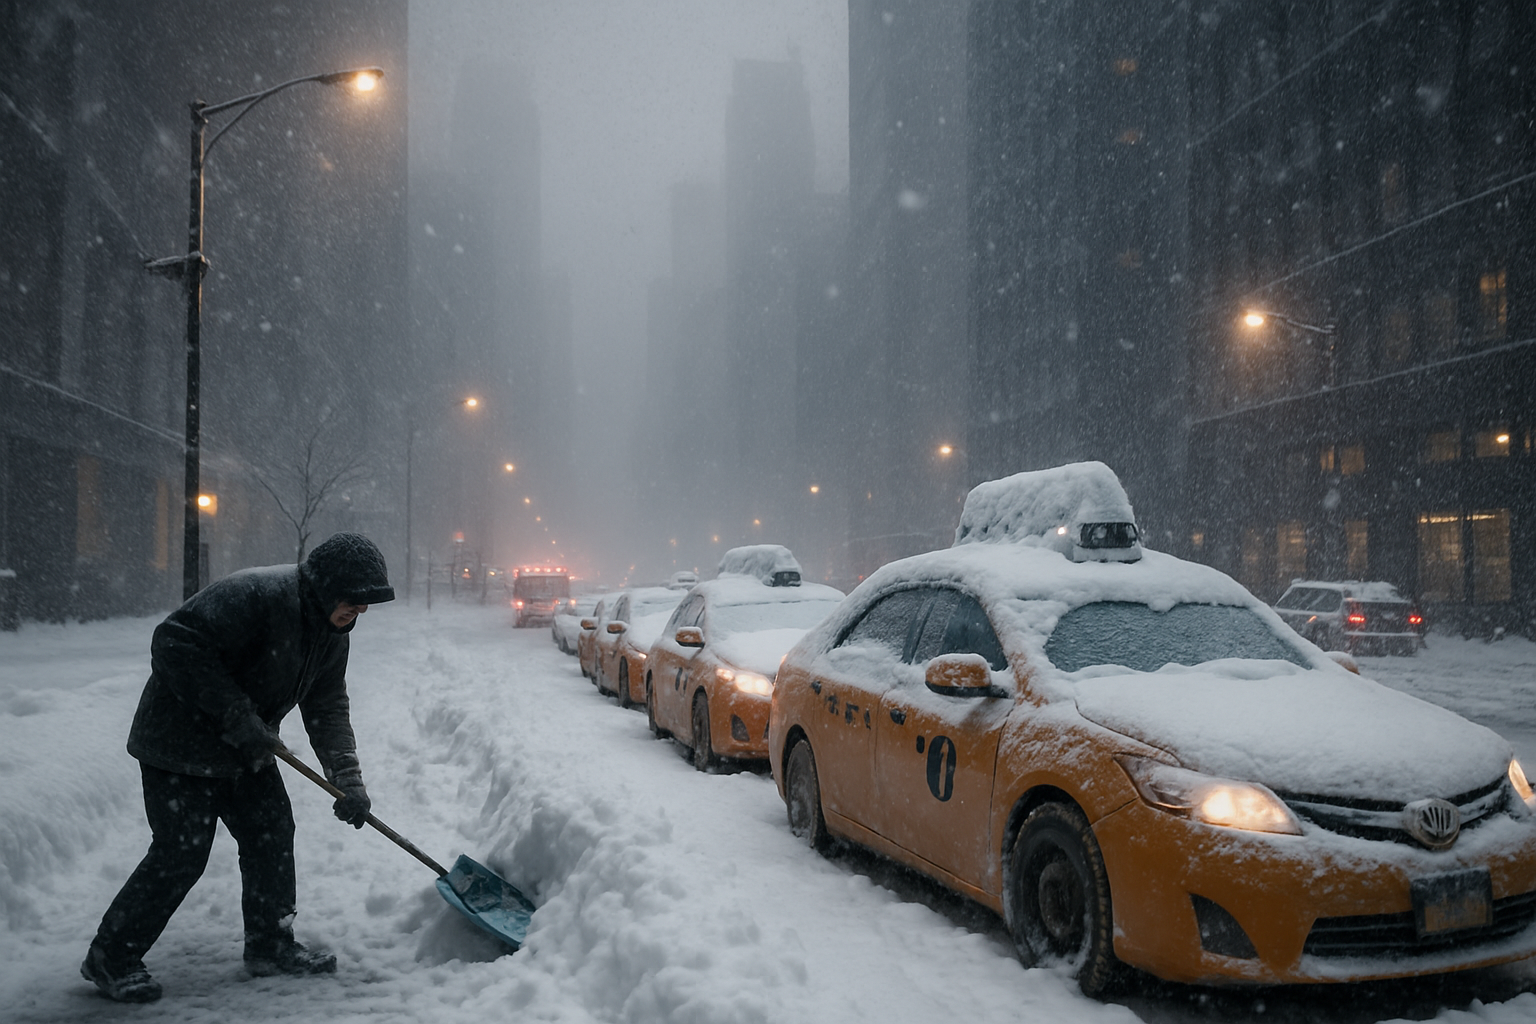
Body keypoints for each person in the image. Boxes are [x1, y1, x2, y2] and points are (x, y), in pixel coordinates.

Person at [80, 532, 395, 1003]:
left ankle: (271, 946)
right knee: (181, 853)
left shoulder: (332, 634)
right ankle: (111, 957)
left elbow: (327, 706)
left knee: (271, 833)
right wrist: (234, 714)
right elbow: (174, 642)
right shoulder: (255, 595)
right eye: (355, 600)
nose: (361, 612)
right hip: (178, 742)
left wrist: (347, 779)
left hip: (245, 747)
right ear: (325, 588)